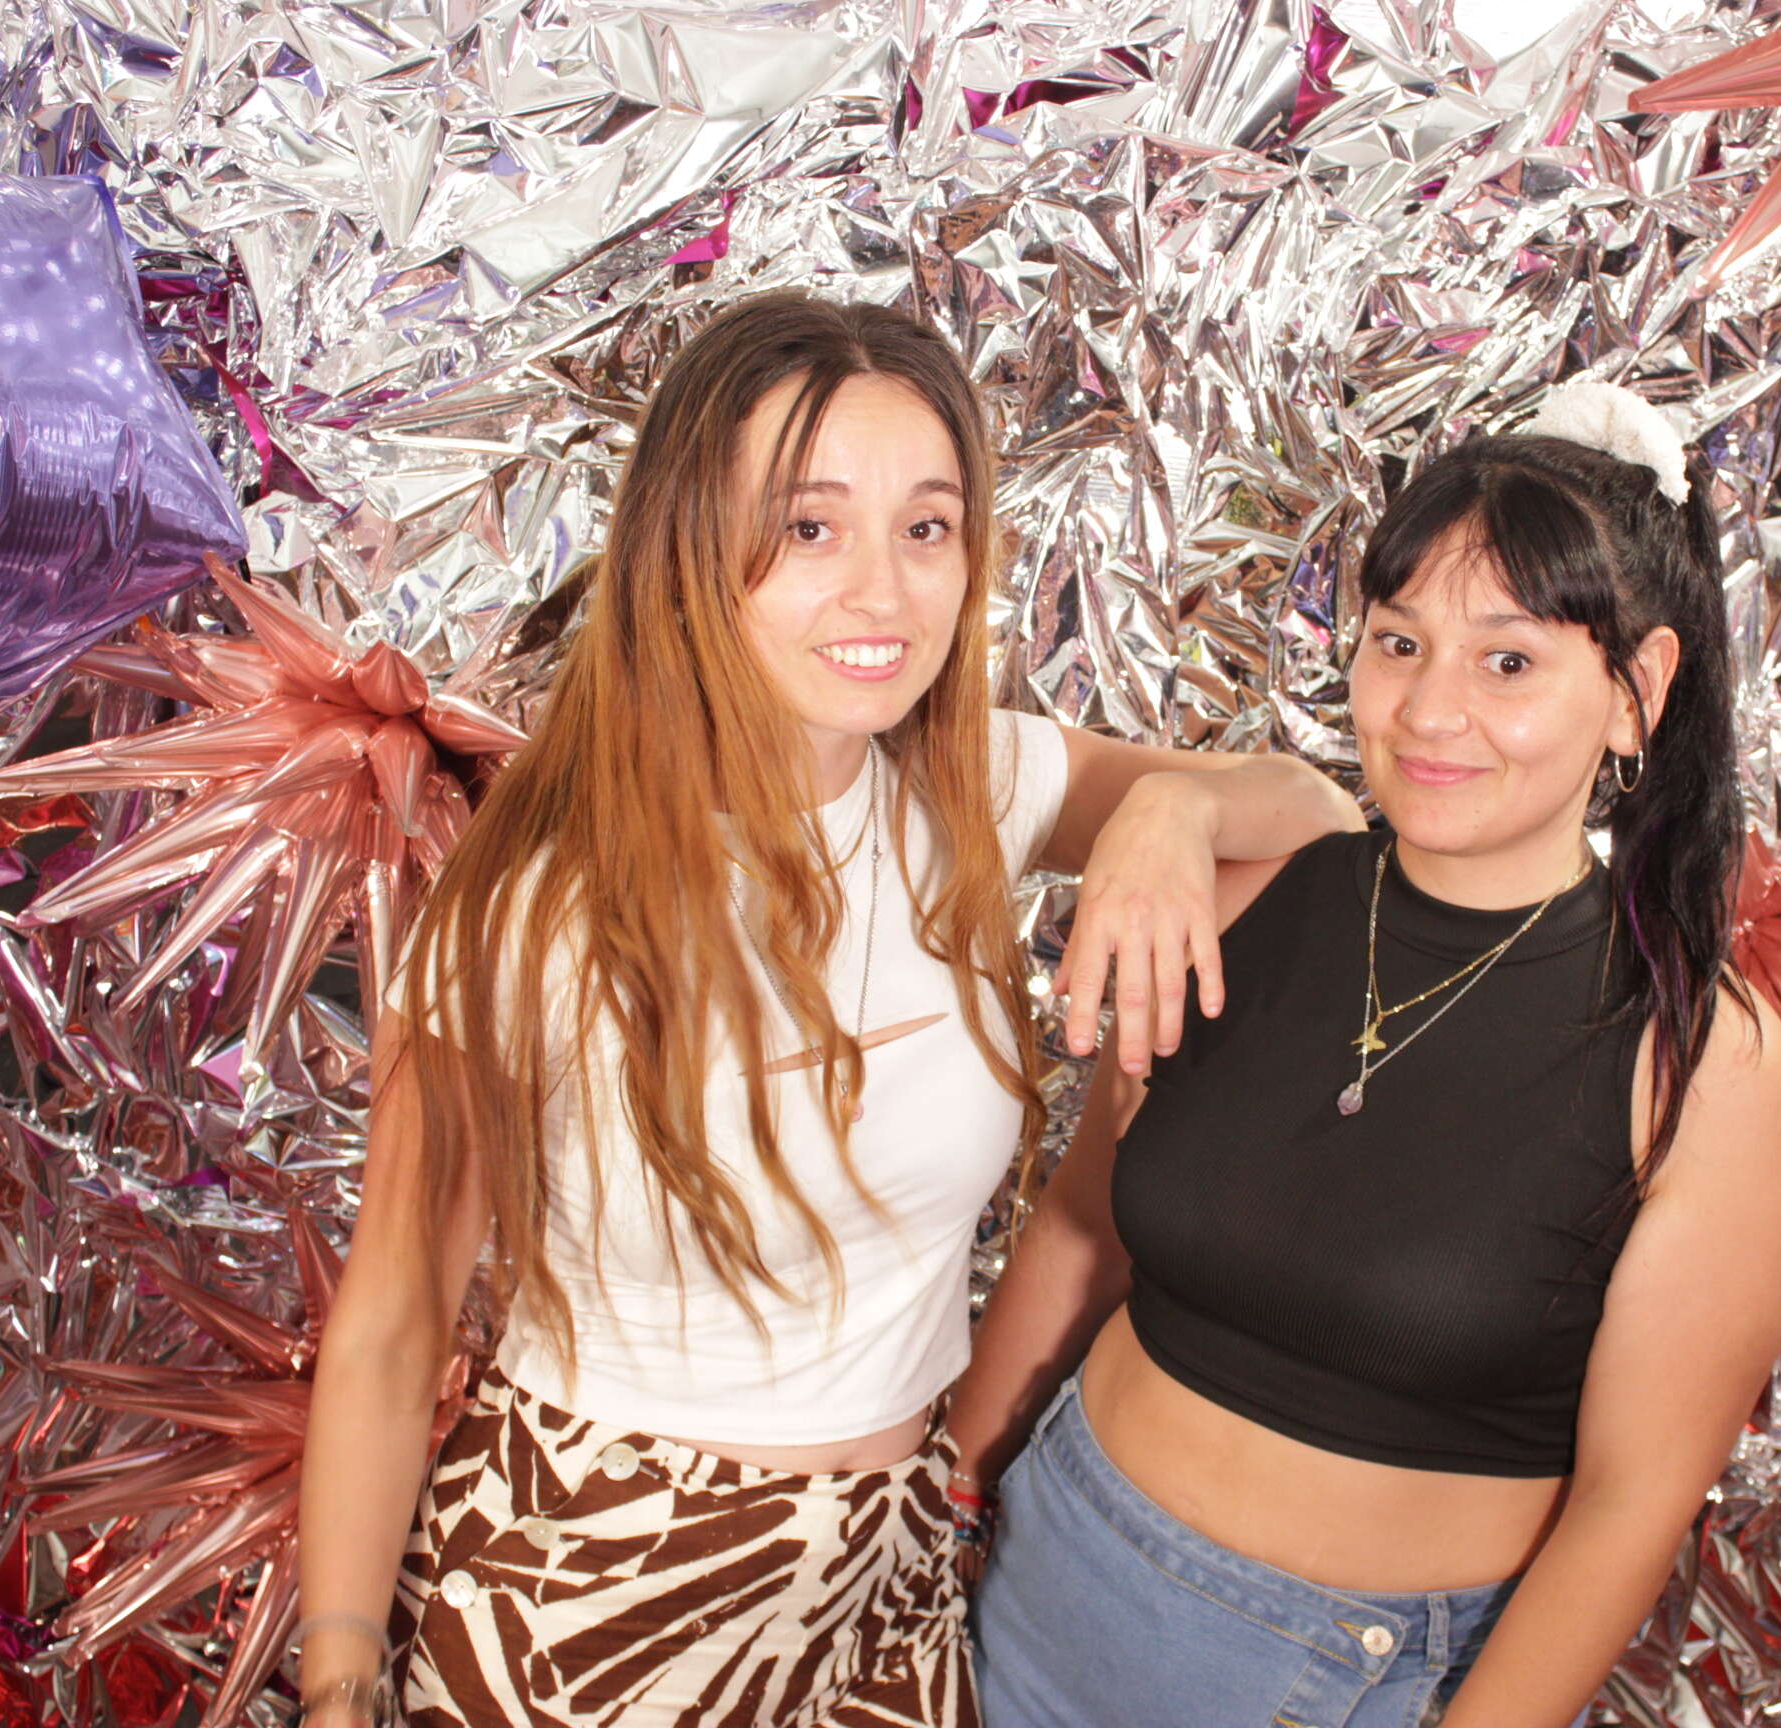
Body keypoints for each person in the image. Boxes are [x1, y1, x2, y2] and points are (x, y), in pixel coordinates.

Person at [291, 291, 1361, 1728]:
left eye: (926, 528)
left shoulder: (974, 787)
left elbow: (1312, 812)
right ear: (690, 551)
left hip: (893, 1578)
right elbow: (392, 1321)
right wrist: (340, 1681)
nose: (884, 593)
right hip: (587, 1593)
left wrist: (1171, 806)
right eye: (810, 528)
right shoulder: (541, 902)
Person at [954, 385, 1781, 1728]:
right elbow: (1082, 1227)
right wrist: (949, 1494)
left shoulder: (1700, 1058)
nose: (1429, 710)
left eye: (1509, 663)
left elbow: (1629, 1509)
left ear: (1637, 692)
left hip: (1329, 1682)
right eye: (1399, 643)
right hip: (1040, 1566)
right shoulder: (1257, 892)